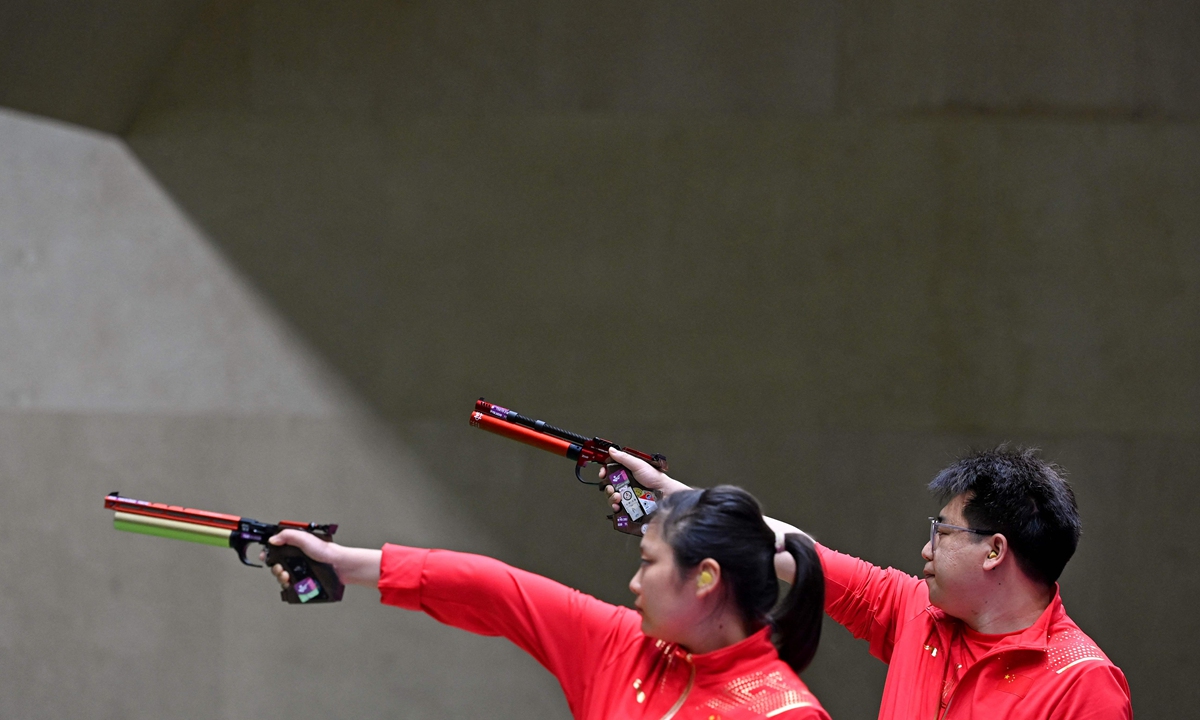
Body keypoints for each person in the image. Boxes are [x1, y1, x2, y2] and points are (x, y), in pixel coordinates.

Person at [603, 445, 1133, 720]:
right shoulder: (917, 611)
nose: (926, 549)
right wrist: (682, 503)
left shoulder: (1084, 684)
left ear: (995, 550)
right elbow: (800, 553)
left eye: (942, 531)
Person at [267, 485, 832, 720]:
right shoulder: (626, 644)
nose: (634, 584)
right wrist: (348, 564)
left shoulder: (787, 713)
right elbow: (496, 590)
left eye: (648, 563)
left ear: (706, 578)